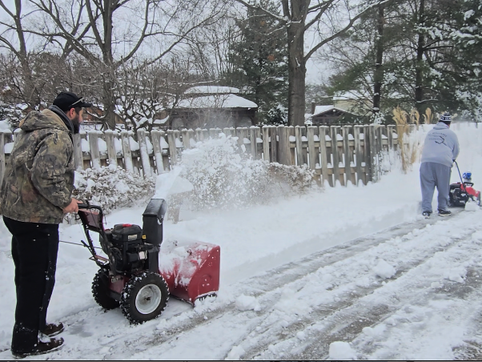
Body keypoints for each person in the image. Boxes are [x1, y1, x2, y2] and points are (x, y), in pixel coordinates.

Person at [0, 91, 92, 358]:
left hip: (16, 213)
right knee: (37, 280)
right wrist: (66, 201)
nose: (83, 119)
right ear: (72, 112)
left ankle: (36, 325)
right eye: (82, 113)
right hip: (36, 217)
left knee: (30, 276)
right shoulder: (57, 135)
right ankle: (25, 343)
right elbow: (45, 175)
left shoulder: (33, 129)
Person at [420, 112, 460, 218]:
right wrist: (452, 159)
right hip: (443, 162)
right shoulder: (451, 134)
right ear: (449, 123)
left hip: (426, 161)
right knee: (443, 186)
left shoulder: (430, 133)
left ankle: (426, 210)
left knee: (427, 186)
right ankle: (442, 208)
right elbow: (456, 150)